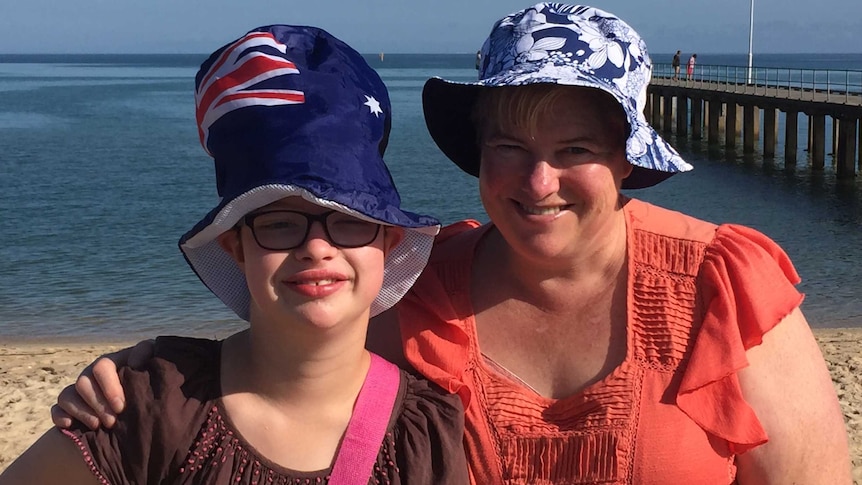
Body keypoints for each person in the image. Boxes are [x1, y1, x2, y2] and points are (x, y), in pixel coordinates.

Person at [51, 4, 852, 484]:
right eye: (510, 144)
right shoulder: (424, 287)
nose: (538, 181)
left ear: (624, 159)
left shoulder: (725, 287)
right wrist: (149, 370)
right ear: (479, 151)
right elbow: (300, 339)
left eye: (574, 149)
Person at [0, 24, 469, 485]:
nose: (317, 247)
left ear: (387, 242)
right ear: (235, 245)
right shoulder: (151, 406)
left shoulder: (426, 434)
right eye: (279, 224)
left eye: (350, 219)